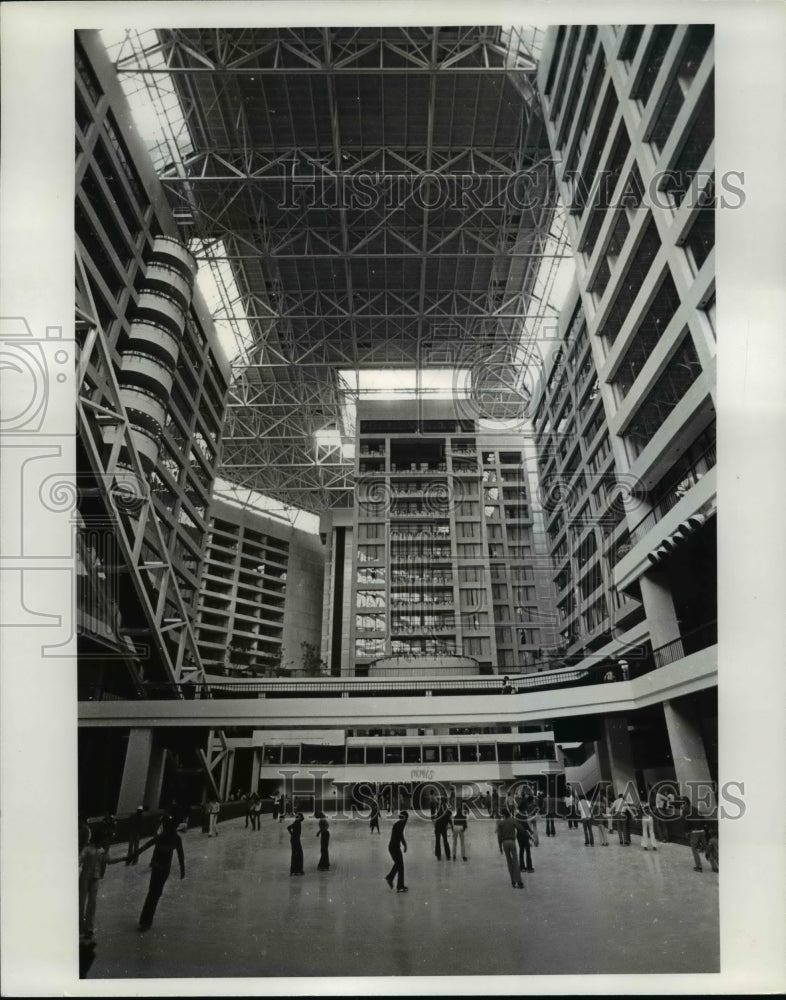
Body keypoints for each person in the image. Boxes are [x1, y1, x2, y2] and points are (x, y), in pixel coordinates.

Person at [135, 816, 186, 932]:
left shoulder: (163, 837)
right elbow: (180, 855)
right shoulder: (176, 838)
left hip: (157, 867)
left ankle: (145, 921)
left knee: (152, 894)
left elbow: (146, 845)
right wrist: (182, 869)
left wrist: (133, 855)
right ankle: (146, 921)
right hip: (163, 869)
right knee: (155, 895)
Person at [79, 821, 110, 940]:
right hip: (85, 878)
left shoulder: (101, 850)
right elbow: (79, 860)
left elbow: (108, 861)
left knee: (92, 903)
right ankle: (81, 927)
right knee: (82, 902)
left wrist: (124, 858)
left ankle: (88, 928)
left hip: (94, 878)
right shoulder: (88, 849)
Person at [496, 809, 524, 889]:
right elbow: (520, 828)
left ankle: (513, 881)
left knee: (509, 862)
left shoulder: (501, 823)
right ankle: (519, 881)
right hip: (512, 842)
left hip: (505, 843)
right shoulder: (512, 821)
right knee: (515, 862)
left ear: (503, 815)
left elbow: (499, 836)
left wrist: (500, 847)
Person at [385, 810, 409, 892]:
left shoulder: (399, 823)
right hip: (394, 847)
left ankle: (390, 878)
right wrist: (404, 845)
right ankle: (399, 885)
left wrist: (404, 845)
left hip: (393, 847)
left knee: (399, 865)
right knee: (400, 866)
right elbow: (400, 835)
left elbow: (400, 835)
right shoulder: (400, 824)